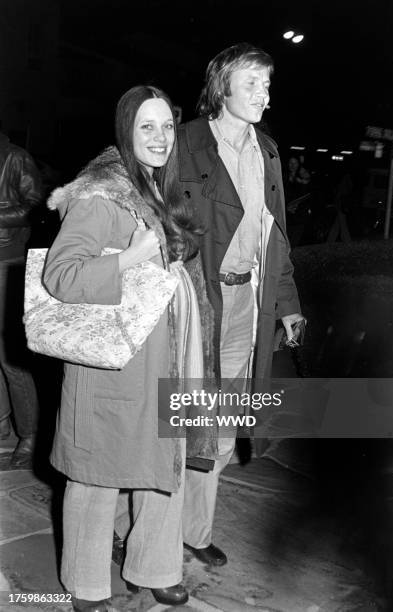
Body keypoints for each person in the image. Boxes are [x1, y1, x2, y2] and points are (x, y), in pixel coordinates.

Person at [43, 85, 204, 611]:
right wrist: (130, 259)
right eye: (146, 127)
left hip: (165, 357)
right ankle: (86, 583)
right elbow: (61, 275)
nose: (160, 138)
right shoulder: (100, 195)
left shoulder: (159, 189)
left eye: (167, 127)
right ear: (125, 132)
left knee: (165, 465)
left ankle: (153, 566)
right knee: (98, 474)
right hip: (114, 363)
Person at [178, 42, 304, 566]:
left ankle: (192, 530)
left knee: (221, 420)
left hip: (245, 302)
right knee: (176, 417)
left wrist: (287, 301)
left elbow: (275, 235)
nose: (263, 94)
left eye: (268, 84)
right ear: (221, 86)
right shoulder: (184, 142)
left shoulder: (268, 151)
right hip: (194, 303)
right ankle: (135, 524)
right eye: (251, 82)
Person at [0, 129, 42, 467]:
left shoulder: (14, 156)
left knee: (10, 354)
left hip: (6, 258)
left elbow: (34, 208)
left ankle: (29, 435)